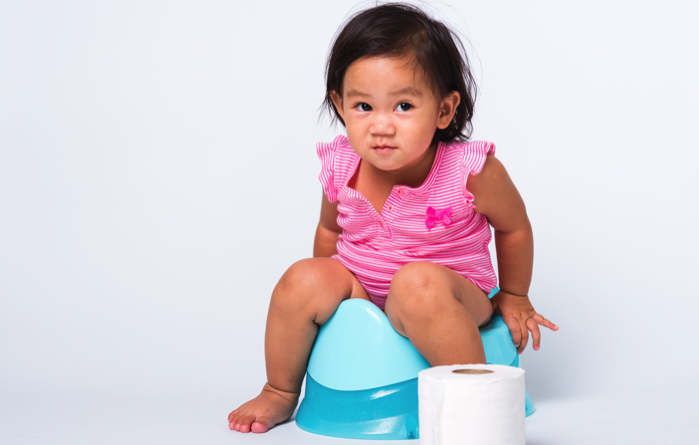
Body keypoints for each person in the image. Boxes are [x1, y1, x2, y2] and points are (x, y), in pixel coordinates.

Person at [228, 3, 558, 434]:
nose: (381, 126)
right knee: (300, 280)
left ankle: (474, 397)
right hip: (363, 290)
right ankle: (280, 390)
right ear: (340, 105)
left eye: (403, 106)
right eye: (363, 106)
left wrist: (514, 295)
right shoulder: (341, 166)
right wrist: (325, 289)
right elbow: (331, 230)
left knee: (417, 284)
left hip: (450, 294)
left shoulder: (470, 171)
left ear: (443, 110)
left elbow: (514, 226)